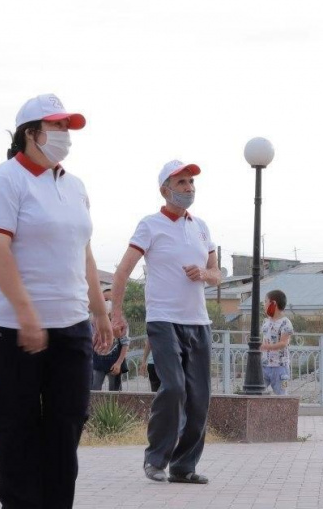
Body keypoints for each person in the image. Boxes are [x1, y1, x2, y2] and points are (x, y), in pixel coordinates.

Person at [0, 94, 113, 509]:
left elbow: (84, 253)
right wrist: (26, 314)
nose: (64, 135)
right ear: (29, 133)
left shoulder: (74, 186)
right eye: (56, 127)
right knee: (17, 426)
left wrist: (100, 313)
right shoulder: (6, 180)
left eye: (67, 128)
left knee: (67, 423)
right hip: (12, 326)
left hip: (70, 324)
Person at [110, 160, 219, 485]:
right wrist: (117, 313)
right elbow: (122, 271)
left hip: (198, 322)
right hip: (163, 319)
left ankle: (184, 467)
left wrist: (205, 274)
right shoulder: (150, 225)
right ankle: (155, 458)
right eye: (182, 183)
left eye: (191, 183)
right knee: (173, 388)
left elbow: (216, 274)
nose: (189, 188)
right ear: (165, 190)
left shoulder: (201, 227)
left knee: (199, 397)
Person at [91, 289, 130, 391]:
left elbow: (125, 343)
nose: (106, 303)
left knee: (115, 392)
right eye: (103, 300)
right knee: (94, 390)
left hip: (114, 361)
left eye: (108, 300)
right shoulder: (93, 321)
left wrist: (118, 363)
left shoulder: (121, 322)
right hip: (97, 361)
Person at [260, 289, 294, 395]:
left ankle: (285, 411)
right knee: (256, 391)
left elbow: (284, 343)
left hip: (280, 368)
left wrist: (267, 347)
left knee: (282, 394)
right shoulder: (266, 322)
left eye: (266, 301)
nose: (264, 304)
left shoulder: (286, 323)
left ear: (273, 304)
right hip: (265, 365)